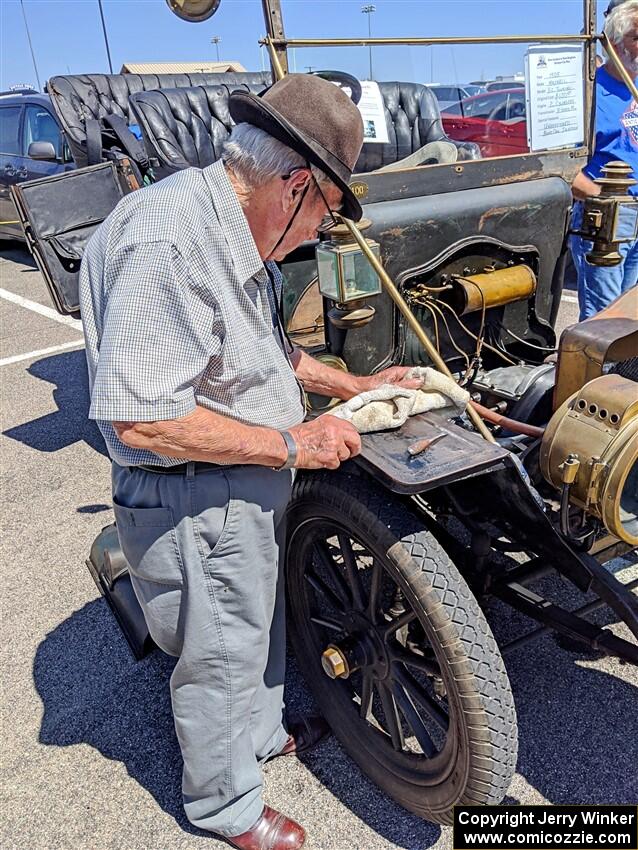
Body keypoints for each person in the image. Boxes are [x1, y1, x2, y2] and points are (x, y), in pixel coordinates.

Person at [79, 74, 421, 850]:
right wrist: (295, 444)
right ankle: (224, 805)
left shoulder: (229, 222)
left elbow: (267, 354)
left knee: (249, 627)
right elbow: (141, 418)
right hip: (196, 495)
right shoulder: (172, 241)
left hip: (238, 480)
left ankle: (258, 738)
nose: (318, 235)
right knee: (218, 655)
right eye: (327, 216)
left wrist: (355, 383)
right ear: (296, 184)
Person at [570, 0, 638, 320]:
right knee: (604, 320)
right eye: (637, 38)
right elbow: (565, 171)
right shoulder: (587, 93)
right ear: (612, 43)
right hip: (605, 220)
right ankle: (597, 372)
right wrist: (604, 200)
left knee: (629, 317)